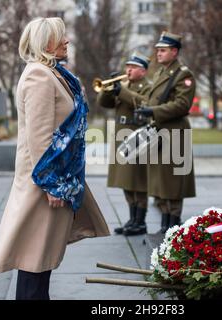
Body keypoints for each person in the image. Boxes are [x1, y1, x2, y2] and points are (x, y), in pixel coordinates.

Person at [0, 17, 109, 300]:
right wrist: (53, 184)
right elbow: (40, 137)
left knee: (41, 260)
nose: (67, 41)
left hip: (54, 178)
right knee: (34, 261)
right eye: (61, 37)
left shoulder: (53, 74)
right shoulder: (39, 76)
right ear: (46, 43)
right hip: (44, 182)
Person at [119, 32, 196, 234]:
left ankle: (172, 225)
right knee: (160, 182)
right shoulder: (162, 73)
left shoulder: (183, 75)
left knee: (172, 183)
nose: (158, 53)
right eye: (158, 50)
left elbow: (182, 105)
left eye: (162, 50)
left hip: (174, 133)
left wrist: (153, 111)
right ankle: (165, 225)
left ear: (174, 51)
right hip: (160, 132)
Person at [96, 53, 151, 236]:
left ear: (143, 71)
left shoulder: (147, 87)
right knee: (125, 181)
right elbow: (104, 103)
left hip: (137, 137)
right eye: (127, 66)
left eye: (133, 67)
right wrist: (108, 90)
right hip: (121, 137)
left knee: (138, 181)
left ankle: (140, 221)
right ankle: (131, 219)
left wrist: (121, 91)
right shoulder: (124, 85)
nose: (128, 70)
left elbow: (145, 103)